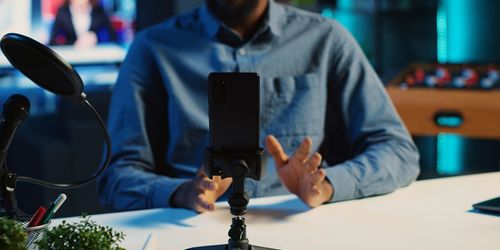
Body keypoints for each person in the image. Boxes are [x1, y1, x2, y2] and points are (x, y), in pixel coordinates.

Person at [98, 0, 420, 212]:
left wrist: (328, 185)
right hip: (189, 230)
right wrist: (181, 192)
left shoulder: (327, 38)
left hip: (298, 224)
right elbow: (116, 176)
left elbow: (397, 151)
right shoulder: (153, 48)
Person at [49, 0, 116, 47]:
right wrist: (74, 44)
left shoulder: (99, 11)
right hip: (72, 57)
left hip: (96, 56)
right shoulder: (62, 13)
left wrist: (96, 38)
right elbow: (53, 41)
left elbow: (113, 37)